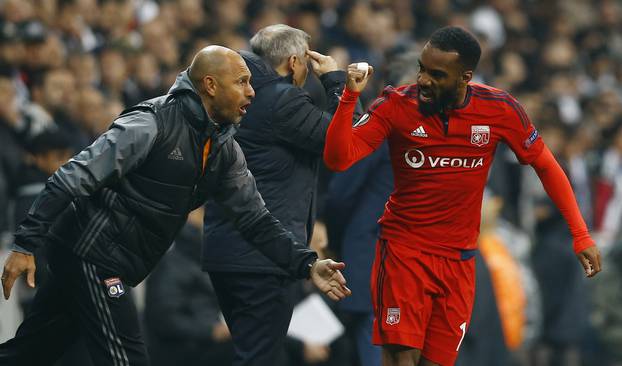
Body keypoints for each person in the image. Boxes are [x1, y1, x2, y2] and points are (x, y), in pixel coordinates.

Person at [0, 45, 350, 366]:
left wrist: (307, 265)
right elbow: (72, 176)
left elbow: (255, 220)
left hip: (111, 257)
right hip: (92, 253)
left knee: (31, 351)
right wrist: (26, 243)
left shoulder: (224, 149)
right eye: (242, 82)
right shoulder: (151, 122)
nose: (251, 91)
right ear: (210, 85)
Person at [323, 26, 601, 366]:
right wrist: (349, 97)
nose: (424, 80)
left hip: (459, 261)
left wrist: (580, 233)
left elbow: (545, 165)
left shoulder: (499, 109)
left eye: (437, 74)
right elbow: (338, 158)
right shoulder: (395, 105)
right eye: (422, 69)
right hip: (404, 254)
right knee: (399, 359)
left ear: (465, 77)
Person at [202, 25, 358, 366]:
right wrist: (335, 82)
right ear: (293, 62)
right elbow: (349, 140)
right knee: (261, 358)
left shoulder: (236, 98)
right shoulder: (281, 99)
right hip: (264, 255)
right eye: (305, 61)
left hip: (227, 249)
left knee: (253, 353)